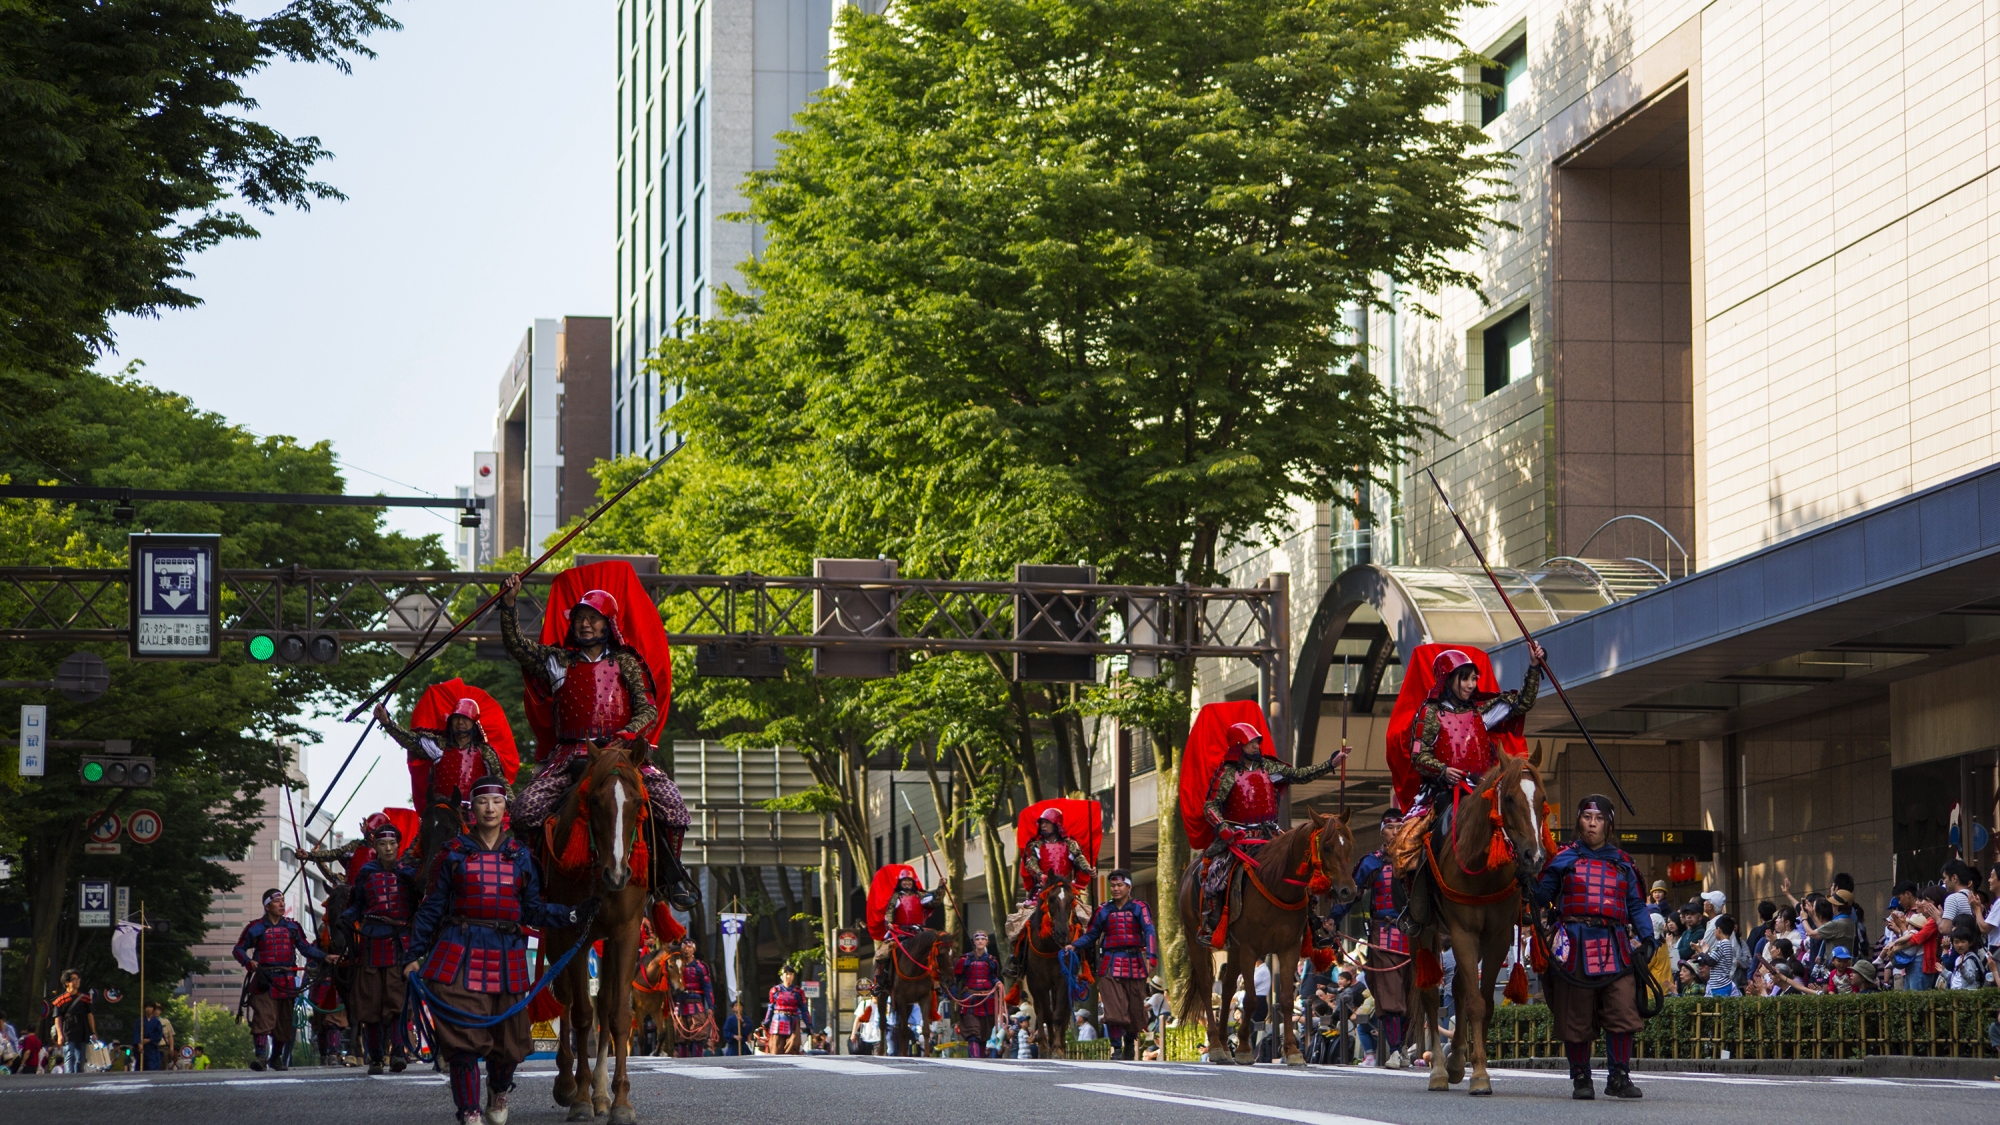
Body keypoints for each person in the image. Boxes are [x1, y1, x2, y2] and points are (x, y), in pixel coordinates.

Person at [498, 573, 696, 916]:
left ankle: (671, 876)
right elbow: (517, 646)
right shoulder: (558, 661)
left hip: (620, 753)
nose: (584, 624)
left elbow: (647, 707)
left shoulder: (626, 662)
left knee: (673, 805)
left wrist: (628, 735)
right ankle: (530, 880)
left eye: (592, 618)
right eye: (579, 618)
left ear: (608, 625)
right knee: (524, 809)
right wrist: (509, 604)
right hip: (570, 754)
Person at [406, 775, 586, 1125]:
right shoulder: (452, 854)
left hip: (507, 956)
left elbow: (533, 911)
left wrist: (573, 914)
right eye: (482, 801)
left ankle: (499, 1088)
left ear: (506, 808)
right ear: (471, 809)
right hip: (459, 951)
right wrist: (412, 955)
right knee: (463, 1041)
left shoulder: (522, 857)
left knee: (508, 1044)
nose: (489, 808)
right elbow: (431, 907)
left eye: (496, 801)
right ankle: (469, 1111)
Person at [1531, 794, 1653, 1101]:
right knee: (1576, 1015)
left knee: (1622, 1009)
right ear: (1578, 820)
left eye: (1599, 819)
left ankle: (1619, 1077)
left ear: (1609, 823)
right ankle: (1581, 1078)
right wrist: (1527, 877)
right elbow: (1540, 895)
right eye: (1587, 817)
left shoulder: (1624, 862)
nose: (1592, 824)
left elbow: (1636, 904)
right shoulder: (1562, 858)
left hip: (1615, 944)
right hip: (1574, 944)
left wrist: (1649, 939)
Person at [1196, 721, 1344, 939]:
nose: (1256, 746)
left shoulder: (1269, 767)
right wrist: (1223, 828)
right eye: (1250, 743)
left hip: (1270, 835)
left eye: (1257, 742)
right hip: (1238, 837)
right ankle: (1213, 922)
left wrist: (1330, 764)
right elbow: (1211, 805)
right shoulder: (1227, 773)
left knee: (1300, 865)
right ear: (1238, 745)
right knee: (1216, 874)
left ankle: (1311, 921)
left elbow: (1299, 774)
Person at [1405, 644, 1543, 818]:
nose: (1471, 685)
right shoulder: (1430, 713)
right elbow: (1419, 756)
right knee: (1407, 840)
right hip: (1441, 793)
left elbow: (1523, 702)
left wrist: (1534, 667)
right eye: (1465, 679)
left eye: (1474, 679)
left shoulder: (1481, 712)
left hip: (1483, 790)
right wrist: (1443, 770)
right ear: (1447, 679)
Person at [1325, 808, 1414, 1069]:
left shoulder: (1418, 861)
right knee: (1389, 996)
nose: (1396, 832)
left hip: (1415, 936)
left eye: (1400, 827)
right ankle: (1395, 1050)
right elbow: (1351, 894)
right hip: (1383, 936)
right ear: (1382, 831)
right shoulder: (1370, 863)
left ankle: (1405, 1047)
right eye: (1390, 827)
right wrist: (1333, 918)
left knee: (1412, 996)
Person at [341, 813, 419, 1074]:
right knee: (372, 1003)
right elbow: (357, 906)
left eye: (392, 844)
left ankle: (397, 1053)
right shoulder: (365, 874)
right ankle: (375, 1057)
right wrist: (346, 918)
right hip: (372, 943)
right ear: (375, 846)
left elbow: (419, 908)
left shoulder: (409, 875)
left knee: (397, 1002)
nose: (387, 849)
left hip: (399, 943)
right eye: (382, 844)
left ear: (398, 846)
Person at [233, 893, 332, 1071]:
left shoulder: (293, 927)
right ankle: (261, 1056)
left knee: (284, 1021)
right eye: (277, 901)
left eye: (282, 901)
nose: (281, 904)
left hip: (287, 981)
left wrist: (326, 957)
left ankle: (276, 1058)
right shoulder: (255, 928)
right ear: (267, 906)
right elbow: (238, 949)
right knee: (263, 1016)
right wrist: (248, 962)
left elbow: (306, 948)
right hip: (265, 980)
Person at [1069, 869, 1158, 1060]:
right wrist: (1074, 946)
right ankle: (1116, 1047)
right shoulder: (1103, 910)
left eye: (1119, 885)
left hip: (1135, 962)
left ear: (1128, 886)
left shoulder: (1140, 907)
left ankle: (1129, 1042)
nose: (1115, 889)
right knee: (1113, 1008)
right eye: (1112, 886)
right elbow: (1092, 935)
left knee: (1135, 1010)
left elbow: (1149, 930)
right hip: (1110, 963)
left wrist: (1152, 957)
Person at [376, 698, 506, 813]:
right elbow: (410, 740)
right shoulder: (438, 746)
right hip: (442, 811)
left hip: (476, 813)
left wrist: (513, 806)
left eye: (465, 718)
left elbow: (500, 782)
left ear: (473, 722)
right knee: (420, 840)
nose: (460, 722)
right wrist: (388, 723)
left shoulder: (485, 752)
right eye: (456, 718)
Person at [1011, 807, 1095, 973]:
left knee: (1087, 921)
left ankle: (1089, 960)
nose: (1043, 826)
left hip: (1065, 890)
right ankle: (1016, 961)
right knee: (1019, 924)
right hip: (1041, 891)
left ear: (1056, 824)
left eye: (1047, 822)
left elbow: (1079, 859)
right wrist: (1040, 875)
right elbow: (1030, 863)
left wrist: (1088, 869)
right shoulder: (1035, 845)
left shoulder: (1070, 844)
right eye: (1041, 823)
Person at [873, 871, 936, 998]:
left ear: (913, 883)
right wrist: (889, 922)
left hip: (918, 933)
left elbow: (935, 901)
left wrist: (941, 888)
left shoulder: (921, 896)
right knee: (882, 954)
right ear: (900, 882)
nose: (907, 883)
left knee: (937, 950)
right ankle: (880, 981)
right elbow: (890, 911)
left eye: (909, 880)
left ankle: (937, 982)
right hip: (899, 931)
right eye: (904, 880)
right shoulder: (895, 897)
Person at [951, 931, 1004, 1057]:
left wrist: (998, 983)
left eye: (983, 939)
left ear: (987, 941)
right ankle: (974, 1059)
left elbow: (993, 977)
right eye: (977, 939)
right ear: (974, 942)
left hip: (987, 1000)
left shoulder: (992, 961)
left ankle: (980, 1060)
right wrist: (950, 993)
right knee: (973, 1033)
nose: (980, 941)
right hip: (969, 1000)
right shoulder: (964, 960)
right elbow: (955, 979)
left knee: (984, 1034)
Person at [671, 938, 715, 1057]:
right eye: (684, 947)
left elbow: (708, 987)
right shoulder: (675, 966)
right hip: (680, 1004)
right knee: (680, 1035)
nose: (687, 950)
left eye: (689, 947)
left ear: (694, 949)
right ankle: (683, 1062)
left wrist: (711, 1006)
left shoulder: (701, 967)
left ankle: (697, 1061)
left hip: (696, 1003)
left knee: (698, 1034)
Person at [47, 970, 94, 1074]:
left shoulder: (85, 999)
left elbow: (90, 1015)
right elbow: (58, 1018)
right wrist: (59, 1035)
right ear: (66, 982)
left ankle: (78, 1076)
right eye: (74, 979)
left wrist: (93, 1032)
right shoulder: (61, 1000)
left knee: (80, 1057)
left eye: (78, 979)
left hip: (82, 1031)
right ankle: (69, 1078)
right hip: (68, 1031)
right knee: (69, 1055)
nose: (77, 981)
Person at [762, 965, 811, 1054]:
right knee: (776, 1047)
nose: (788, 976)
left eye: (791, 974)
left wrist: (809, 1025)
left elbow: (804, 1009)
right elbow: (771, 1007)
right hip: (778, 1020)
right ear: (782, 976)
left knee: (793, 1046)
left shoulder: (798, 991)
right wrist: (766, 1022)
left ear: (793, 976)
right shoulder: (775, 990)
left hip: (793, 1021)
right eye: (786, 974)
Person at [1946, 919, 1991, 989]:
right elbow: (1955, 979)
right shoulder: (1959, 958)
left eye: (1963, 942)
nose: (1960, 945)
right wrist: (1943, 971)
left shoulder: (1970, 959)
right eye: (1956, 942)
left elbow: (1971, 979)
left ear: (1970, 943)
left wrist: (1962, 968)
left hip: (1967, 995)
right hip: (1957, 994)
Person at [139, 1002, 165, 1071]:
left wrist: (150, 1040)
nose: (148, 1009)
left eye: (150, 1007)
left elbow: (160, 1034)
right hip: (142, 1046)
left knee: (154, 1065)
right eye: (147, 1007)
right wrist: (139, 1043)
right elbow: (136, 1033)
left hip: (154, 1047)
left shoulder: (160, 1022)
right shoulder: (140, 1021)